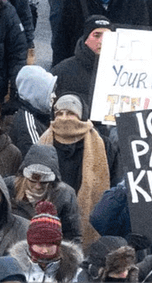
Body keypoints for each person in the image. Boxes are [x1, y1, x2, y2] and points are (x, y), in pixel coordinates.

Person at [37, 95, 113, 242]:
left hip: (87, 219)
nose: (64, 118)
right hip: (51, 216)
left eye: (71, 113)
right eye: (59, 114)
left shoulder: (103, 145)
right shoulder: (43, 142)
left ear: (81, 115)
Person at [5, 202, 82, 282]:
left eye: (50, 245)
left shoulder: (75, 273)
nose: (44, 251)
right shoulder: (13, 268)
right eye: (39, 245)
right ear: (30, 243)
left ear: (58, 244)